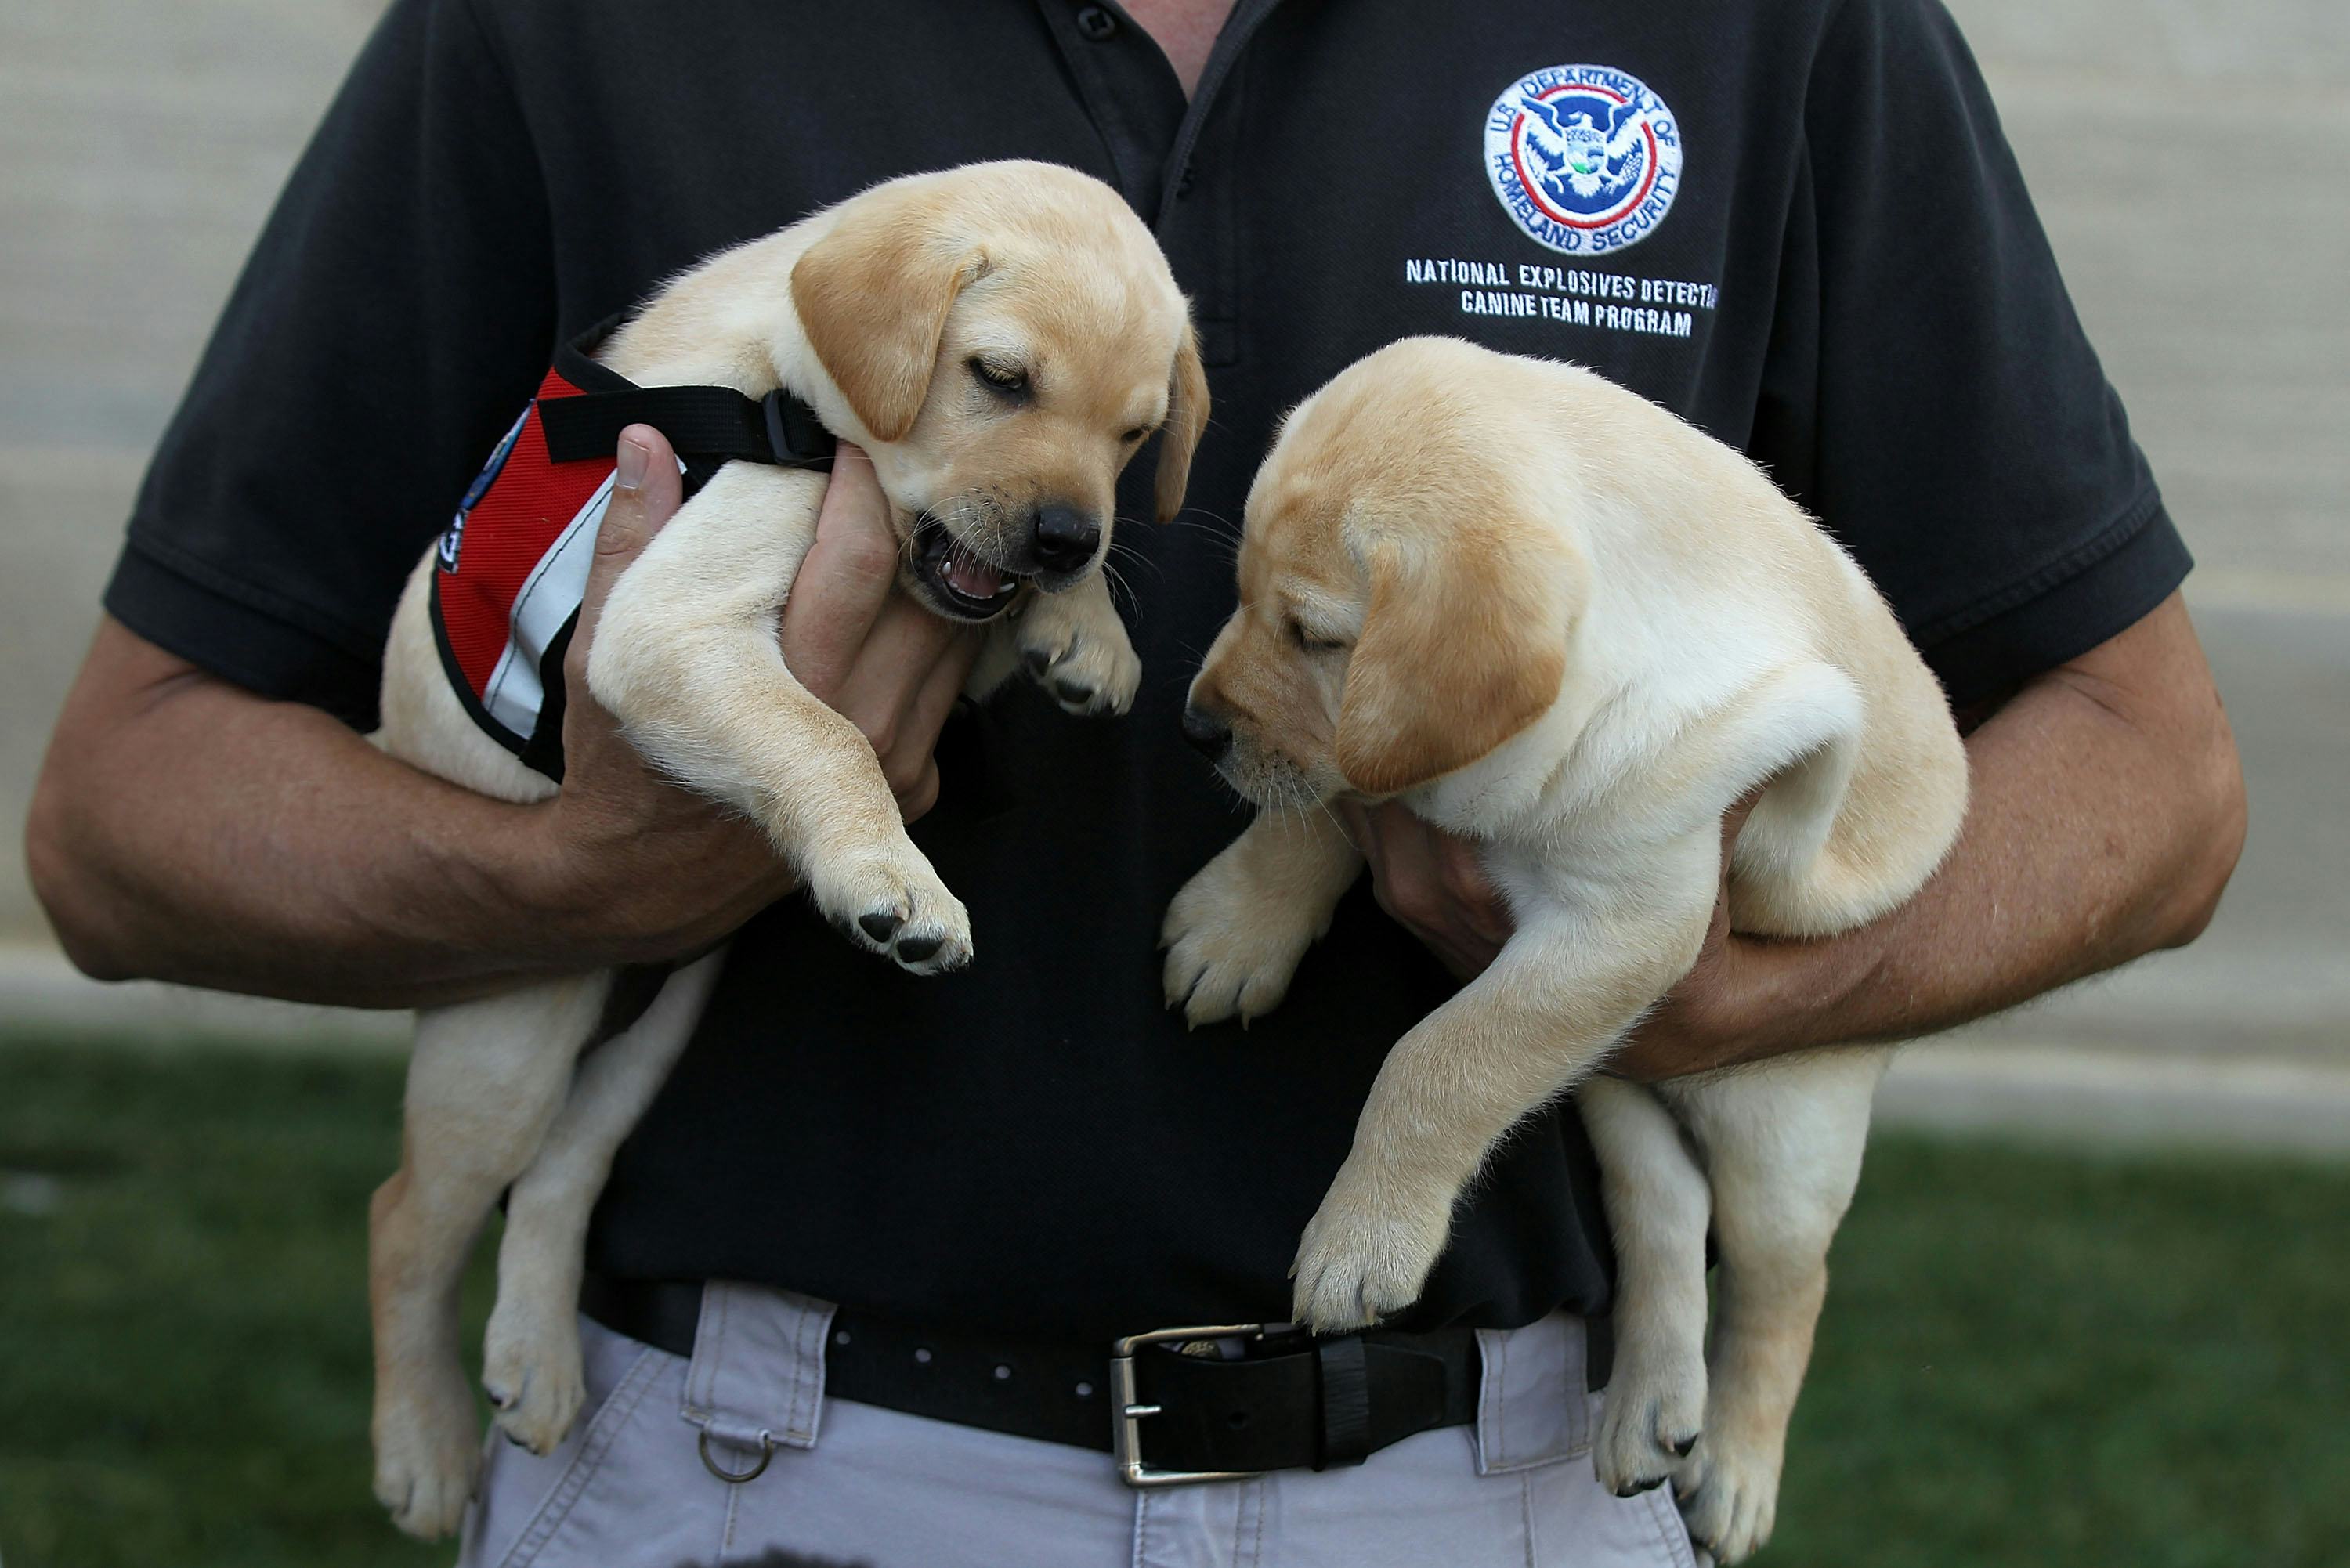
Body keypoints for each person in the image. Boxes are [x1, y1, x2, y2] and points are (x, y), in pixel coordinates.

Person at [25, 1, 2244, 1564]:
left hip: (1494, 1494)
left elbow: (2152, 774)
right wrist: (591, 871)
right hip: (742, 1474)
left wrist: (1707, 989)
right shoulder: (578, 22)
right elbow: (125, 823)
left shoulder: (1771, 26)